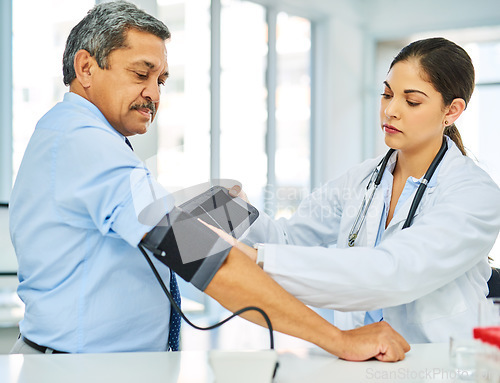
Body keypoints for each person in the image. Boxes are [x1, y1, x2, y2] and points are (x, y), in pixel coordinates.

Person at [8, 1, 409, 361]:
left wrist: (199, 210)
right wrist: (338, 339)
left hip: (92, 362)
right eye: (141, 74)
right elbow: (194, 253)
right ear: (86, 68)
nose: (153, 94)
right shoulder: (85, 144)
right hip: (78, 368)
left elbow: (116, 239)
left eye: (161, 81)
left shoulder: (82, 136)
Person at [225, 37, 500, 343]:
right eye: (387, 94)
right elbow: (290, 239)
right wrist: (238, 214)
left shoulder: (475, 194)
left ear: (452, 110)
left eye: (412, 101)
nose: (390, 110)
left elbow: (392, 272)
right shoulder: (363, 179)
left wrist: (258, 259)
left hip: (440, 363)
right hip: (363, 355)